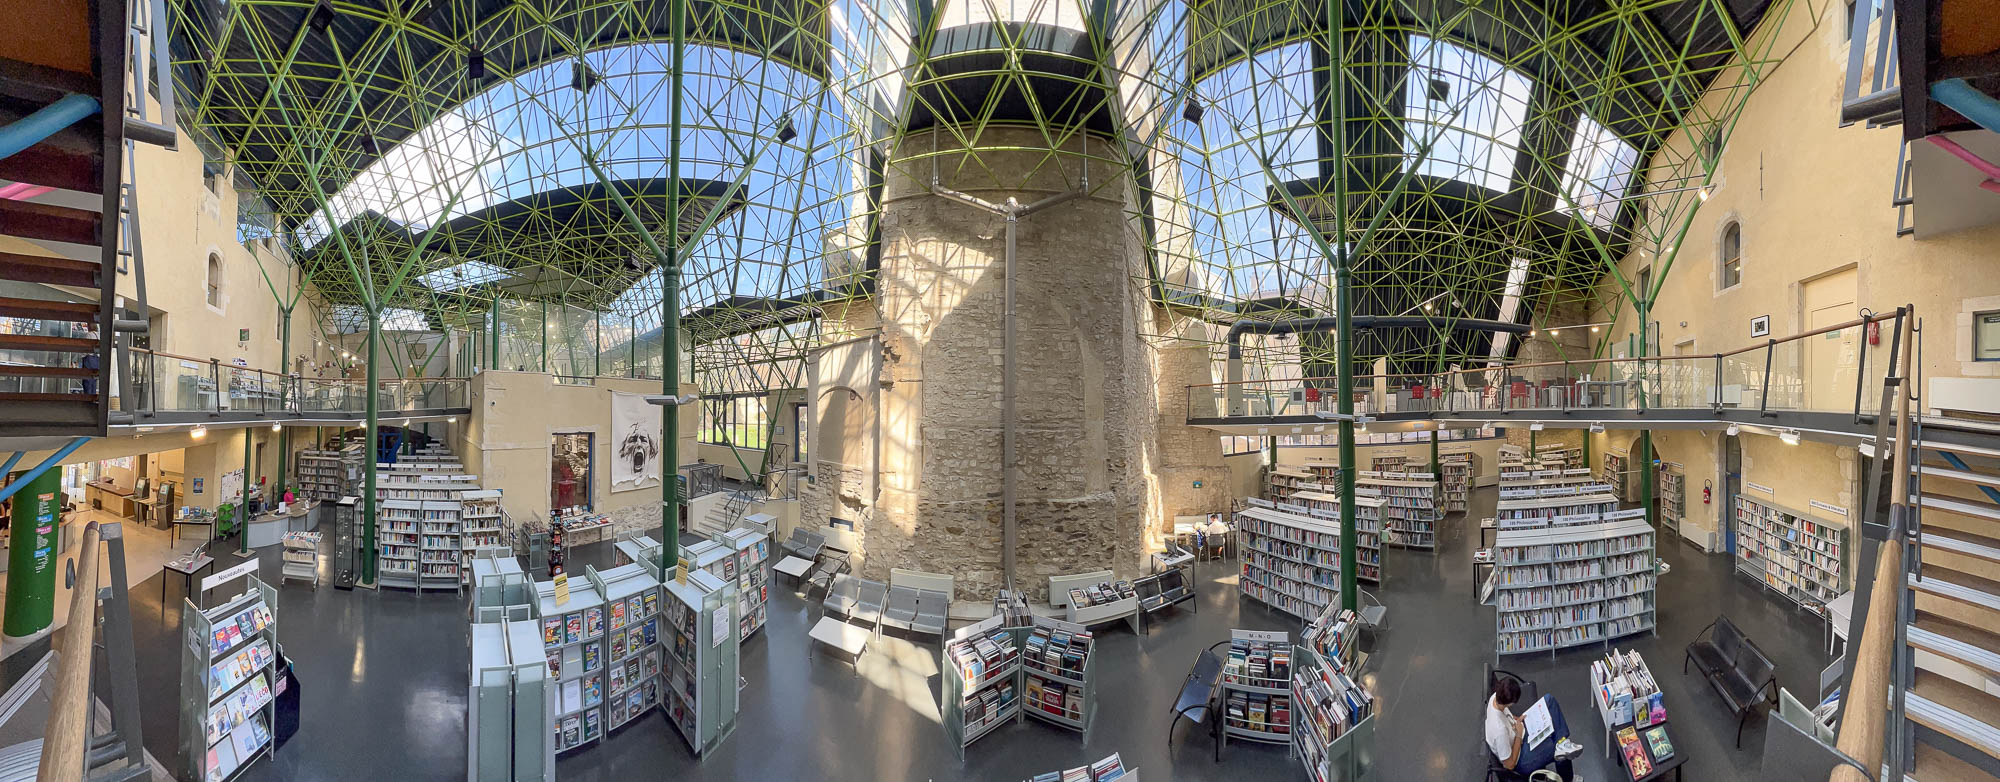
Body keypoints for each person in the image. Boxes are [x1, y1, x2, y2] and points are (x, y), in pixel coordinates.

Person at [1486, 676, 1583, 781]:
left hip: (1520, 732)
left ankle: (1562, 743)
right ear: (1509, 703)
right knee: (1559, 750)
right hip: (1522, 759)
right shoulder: (1499, 731)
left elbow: (1506, 716)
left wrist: (1517, 720)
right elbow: (1509, 765)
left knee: (1548, 700)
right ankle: (1568, 778)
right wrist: (1518, 735)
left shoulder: (1495, 698)